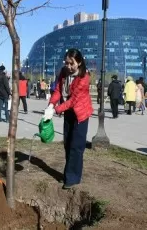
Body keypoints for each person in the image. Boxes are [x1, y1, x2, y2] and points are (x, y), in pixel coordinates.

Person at [43, 48, 93, 190]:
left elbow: (73, 100)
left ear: (79, 62)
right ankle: (69, 174)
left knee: (76, 146)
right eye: (66, 63)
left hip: (80, 114)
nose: (69, 66)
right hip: (69, 113)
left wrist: (56, 109)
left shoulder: (84, 77)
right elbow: (58, 90)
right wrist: (51, 104)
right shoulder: (64, 72)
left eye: (72, 64)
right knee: (67, 144)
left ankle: (72, 178)